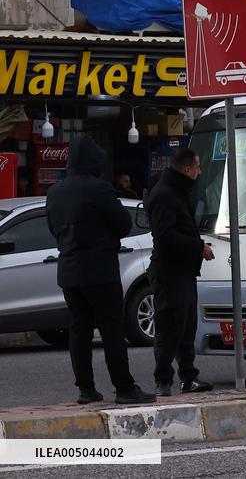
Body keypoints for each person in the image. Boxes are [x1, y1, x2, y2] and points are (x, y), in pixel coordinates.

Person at [45, 137, 155, 405]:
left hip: (69, 271)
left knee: (79, 330)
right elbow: (121, 225)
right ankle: (125, 388)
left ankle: (86, 389)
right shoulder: (99, 189)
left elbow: (52, 228)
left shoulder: (55, 191)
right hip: (99, 271)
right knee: (112, 330)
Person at [147, 147, 215, 396]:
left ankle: (188, 376)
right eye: (198, 167)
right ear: (187, 169)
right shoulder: (165, 195)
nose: (200, 172)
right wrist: (198, 246)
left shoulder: (178, 190)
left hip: (183, 271)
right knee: (170, 327)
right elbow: (165, 236)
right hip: (169, 272)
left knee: (187, 328)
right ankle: (163, 379)